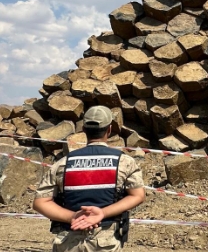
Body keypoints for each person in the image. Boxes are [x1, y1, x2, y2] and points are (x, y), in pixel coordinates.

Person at [33, 105, 145, 252]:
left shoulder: (63, 163)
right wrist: (102, 213)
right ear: (109, 130)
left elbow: (40, 202)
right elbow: (138, 195)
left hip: (68, 242)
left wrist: (73, 217)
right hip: (105, 241)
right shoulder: (124, 162)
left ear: (84, 130)